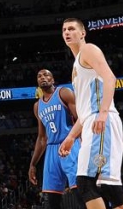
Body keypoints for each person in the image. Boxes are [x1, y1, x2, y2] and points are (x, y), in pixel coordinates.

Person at [58, 19, 123, 209]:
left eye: (71, 29)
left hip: (100, 120)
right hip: (91, 121)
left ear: (83, 33)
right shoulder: (76, 63)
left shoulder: (88, 50)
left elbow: (110, 78)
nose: (67, 32)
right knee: (108, 186)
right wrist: (71, 136)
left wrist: (103, 113)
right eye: (64, 30)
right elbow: (84, 110)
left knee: (86, 183)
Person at [29, 69, 79, 209]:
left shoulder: (64, 93)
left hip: (70, 144)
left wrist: (82, 144)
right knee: (50, 198)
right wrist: (33, 164)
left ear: (52, 80)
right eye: (39, 76)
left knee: (80, 190)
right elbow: (42, 138)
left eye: (46, 75)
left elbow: (80, 120)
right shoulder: (37, 106)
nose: (42, 77)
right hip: (51, 150)